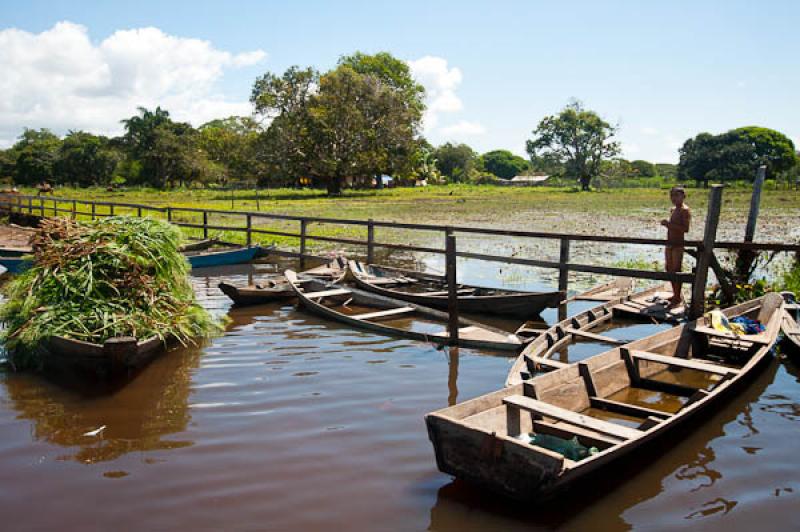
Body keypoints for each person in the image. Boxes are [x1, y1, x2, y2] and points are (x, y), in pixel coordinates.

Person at [661, 186, 691, 307]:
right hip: (669, 243)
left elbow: (685, 229)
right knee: (669, 268)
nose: (674, 198)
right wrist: (668, 225)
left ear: (683, 196)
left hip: (678, 244)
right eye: (672, 195)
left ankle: (678, 296)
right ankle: (675, 294)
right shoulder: (673, 209)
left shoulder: (685, 210)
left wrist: (669, 225)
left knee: (676, 269)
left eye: (676, 195)